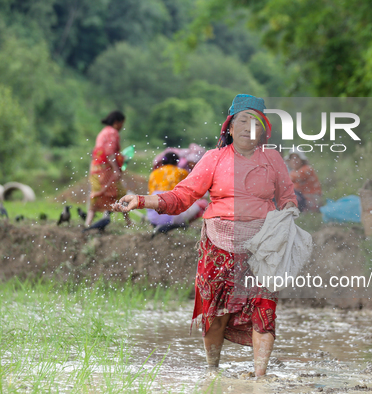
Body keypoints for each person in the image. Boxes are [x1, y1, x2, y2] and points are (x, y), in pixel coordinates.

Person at [113, 94, 298, 377]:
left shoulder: (272, 160)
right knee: (215, 315)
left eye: (256, 124)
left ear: (263, 131)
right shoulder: (214, 159)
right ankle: (213, 372)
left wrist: (288, 216)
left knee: (264, 308)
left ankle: (260, 377)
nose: (249, 129)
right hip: (218, 246)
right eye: (243, 122)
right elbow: (181, 196)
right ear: (231, 128)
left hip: (262, 247)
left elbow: (287, 197)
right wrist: (140, 200)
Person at [87, 110, 132, 227]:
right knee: (119, 193)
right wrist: (116, 169)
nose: (122, 126)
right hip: (106, 169)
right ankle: (129, 223)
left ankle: (88, 222)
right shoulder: (113, 132)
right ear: (117, 122)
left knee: (97, 194)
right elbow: (110, 153)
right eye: (122, 123)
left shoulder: (103, 132)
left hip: (96, 168)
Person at [146, 151, 206, 229]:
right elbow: (191, 193)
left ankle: (158, 224)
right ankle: (181, 225)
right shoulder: (182, 172)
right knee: (203, 204)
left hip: (153, 216)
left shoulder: (154, 173)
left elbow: (151, 193)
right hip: (171, 215)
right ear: (177, 161)